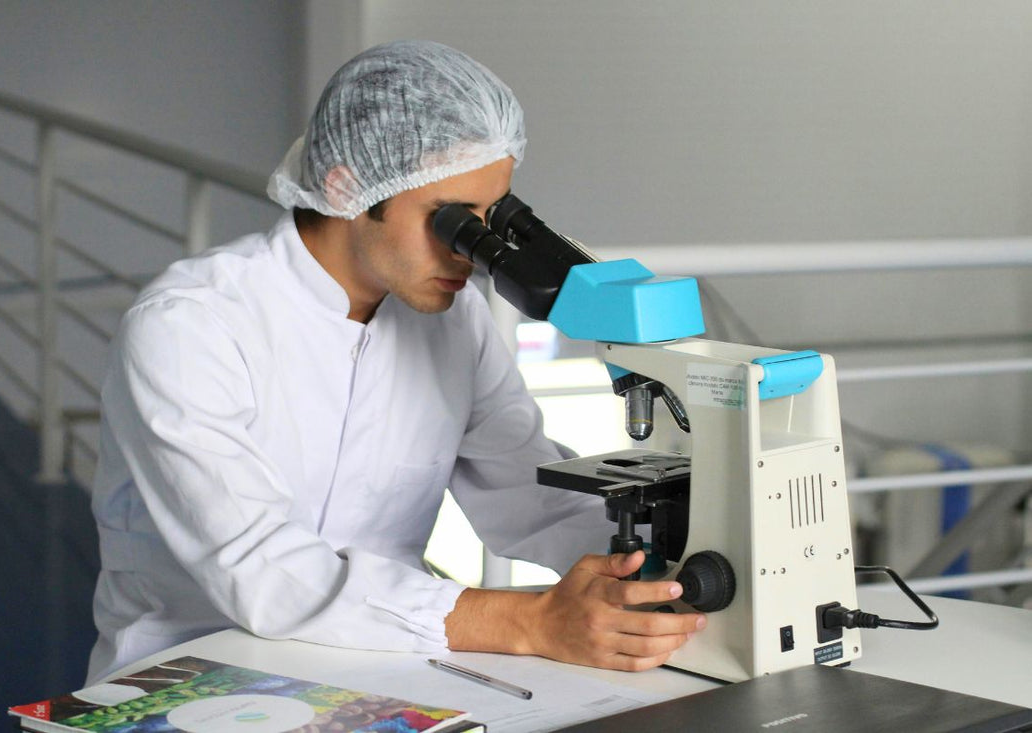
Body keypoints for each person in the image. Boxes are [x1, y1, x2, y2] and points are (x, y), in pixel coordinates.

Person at [85, 39, 705, 685]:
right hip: (193, 670)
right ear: (348, 186)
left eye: (493, 217)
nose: (472, 252)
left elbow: (529, 497)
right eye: (453, 221)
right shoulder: (193, 325)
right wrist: (533, 621)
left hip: (382, 664)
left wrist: (658, 571)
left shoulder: (452, 320)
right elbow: (264, 571)